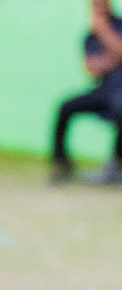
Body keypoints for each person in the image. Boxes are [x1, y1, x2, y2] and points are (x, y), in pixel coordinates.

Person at [52, 0, 122, 184]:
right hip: (104, 90)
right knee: (65, 107)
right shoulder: (90, 36)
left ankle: (115, 165)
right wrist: (113, 57)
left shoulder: (117, 26)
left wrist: (103, 30)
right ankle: (61, 164)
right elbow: (91, 67)